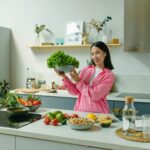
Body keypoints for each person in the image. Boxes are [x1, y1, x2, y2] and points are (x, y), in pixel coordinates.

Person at [55, 41, 115, 113]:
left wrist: (78, 81)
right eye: (92, 54)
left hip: (99, 115)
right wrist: (64, 77)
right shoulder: (85, 70)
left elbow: (95, 95)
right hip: (80, 113)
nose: (94, 56)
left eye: (97, 53)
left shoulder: (108, 75)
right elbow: (75, 91)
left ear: (105, 53)